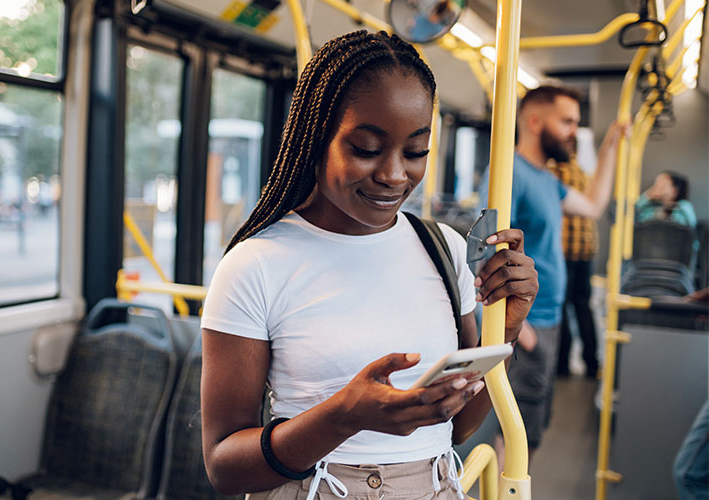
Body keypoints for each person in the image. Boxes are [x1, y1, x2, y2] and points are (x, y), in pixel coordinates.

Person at [201, 31, 539, 500]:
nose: (395, 175)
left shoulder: (441, 248)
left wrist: (507, 327)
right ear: (315, 138)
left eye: (416, 151)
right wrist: (345, 416)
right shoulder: (256, 265)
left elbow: (460, 426)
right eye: (366, 148)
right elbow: (223, 466)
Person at [479, 85, 629, 462]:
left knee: (531, 434)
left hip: (549, 321)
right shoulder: (508, 173)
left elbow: (594, 206)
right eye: (566, 122)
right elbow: (480, 251)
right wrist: (520, 331)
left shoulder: (547, 179)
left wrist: (611, 145)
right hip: (527, 326)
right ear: (534, 122)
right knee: (514, 440)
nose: (573, 132)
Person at [550, 155, 599, 379]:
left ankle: (562, 365)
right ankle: (592, 364)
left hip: (565, 249)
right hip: (586, 250)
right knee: (583, 307)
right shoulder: (584, 173)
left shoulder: (553, 172)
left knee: (562, 308)